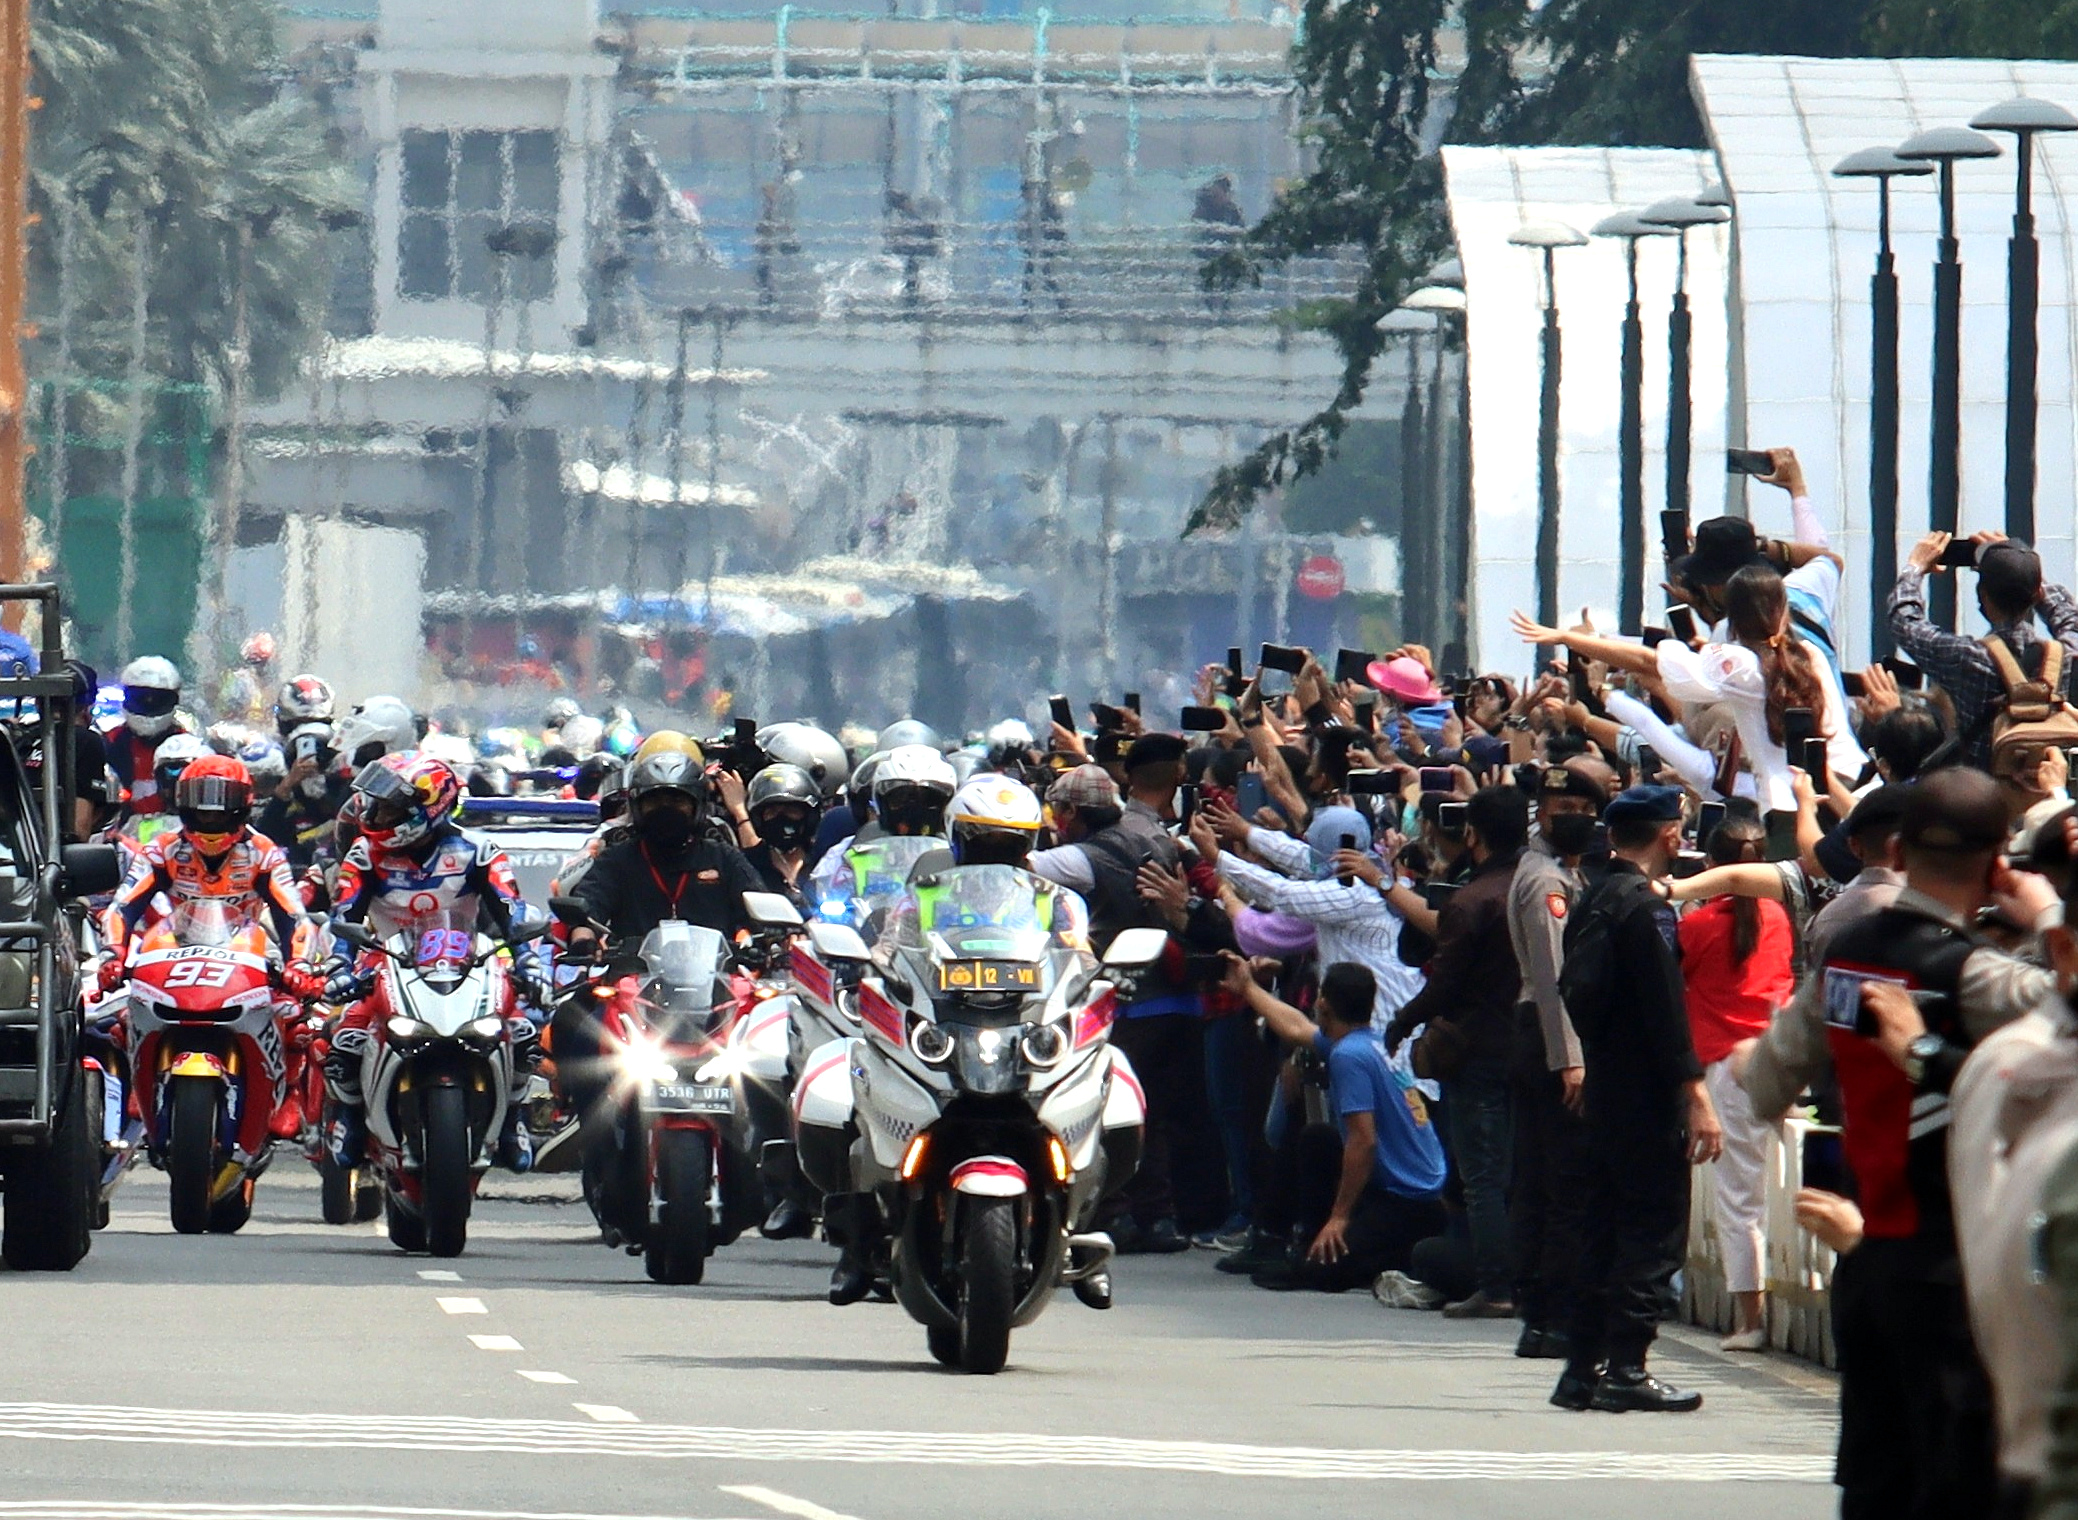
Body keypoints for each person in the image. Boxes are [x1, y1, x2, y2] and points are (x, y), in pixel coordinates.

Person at [1740, 768, 2057, 1518]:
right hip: (1960, 1273)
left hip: (1867, 1258)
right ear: (1996, 863)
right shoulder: (1975, 975)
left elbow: (1764, 1087)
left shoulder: (1844, 955)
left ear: (1899, 852)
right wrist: (2043, 915)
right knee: (1957, 1484)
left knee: (1875, 1480)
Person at [1551, 784, 1722, 1414]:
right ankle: (1627, 1365)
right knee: (1653, 1231)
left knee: (1601, 1228)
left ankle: (1582, 1367)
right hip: (1647, 1095)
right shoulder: (1646, 909)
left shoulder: (1592, 895)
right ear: (1670, 835)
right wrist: (1695, 1092)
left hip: (1605, 1085)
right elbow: (1665, 1010)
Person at [323, 753, 534, 1170]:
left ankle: (513, 1120)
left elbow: (512, 911)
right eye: (376, 804)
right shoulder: (365, 854)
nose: (375, 813)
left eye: (390, 808)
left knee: (524, 1032)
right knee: (343, 1038)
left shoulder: (480, 850)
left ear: (427, 809)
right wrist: (338, 966)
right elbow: (344, 916)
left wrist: (527, 959)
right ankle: (350, 1118)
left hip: (467, 962)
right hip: (385, 959)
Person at [102, 754, 322, 1140]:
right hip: (176, 944)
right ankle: (143, 1081)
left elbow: (294, 916)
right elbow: (123, 905)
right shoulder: (163, 849)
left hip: (248, 947)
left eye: (220, 808)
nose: (210, 816)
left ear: (242, 805)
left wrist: (299, 965)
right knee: (123, 1010)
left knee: (294, 1014)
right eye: (201, 807)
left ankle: (288, 1094)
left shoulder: (265, 852)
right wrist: (113, 954)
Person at [1030, 760, 1196, 1254]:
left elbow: (1015, 870)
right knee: (1157, 1110)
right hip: (1175, 991)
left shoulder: (1080, 858)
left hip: (1123, 999)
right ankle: (1161, 1215)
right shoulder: (1157, 836)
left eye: (1061, 811)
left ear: (1076, 813)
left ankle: (1115, 1210)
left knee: (1102, 1105)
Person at [1383, 785, 1527, 1320]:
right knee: (1520, 1169)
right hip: (1532, 1047)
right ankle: (1525, 1276)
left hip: (1480, 1050)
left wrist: (1403, 1021)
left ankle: (1495, 1286)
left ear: (1473, 835)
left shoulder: (1472, 900)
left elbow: (1444, 984)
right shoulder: (1545, 887)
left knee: (1482, 1175)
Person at [1223, 958, 1447, 1291]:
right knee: (1318, 1138)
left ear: (1323, 1003)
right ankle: (1311, 1240)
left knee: (1317, 1274)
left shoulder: (1348, 1057)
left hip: (1407, 1204)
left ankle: (1372, 1254)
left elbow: (1363, 1141)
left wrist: (1339, 1217)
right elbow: (1296, 1027)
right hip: (1401, 1192)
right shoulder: (1366, 1043)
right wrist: (1248, 988)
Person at [1676, 813, 1794, 1352]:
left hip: (1726, 1066)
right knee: (1784, 1184)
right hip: (1779, 1057)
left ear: (1709, 864)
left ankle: (1750, 1320)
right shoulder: (1779, 915)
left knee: (1738, 1198)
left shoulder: (1696, 927)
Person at [1891, 530, 2078, 770]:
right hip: (2048, 792)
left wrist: (1915, 567)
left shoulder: (1967, 657)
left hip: (1985, 793)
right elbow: (2068, 618)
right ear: (2036, 594)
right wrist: (2022, 566)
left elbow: (1904, 622)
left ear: (1982, 596)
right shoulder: (2064, 656)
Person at [103, 656, 187, 818]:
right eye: (141, 699)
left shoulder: (188, 747)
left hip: (174, 834)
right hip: (117, 832)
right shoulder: (110, 742)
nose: (149, 703)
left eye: (158, 700)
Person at [741, 762, 821, 901]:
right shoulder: (747, 866)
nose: (781, 818)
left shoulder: (824, 861)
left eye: (791, 811)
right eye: (772, 812)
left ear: (809, 817)